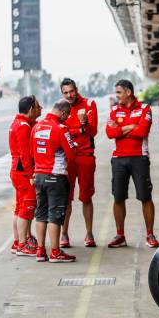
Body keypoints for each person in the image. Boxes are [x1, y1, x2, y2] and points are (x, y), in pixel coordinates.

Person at [105, 79, 159, 248]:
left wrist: (120, 130)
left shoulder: (145, 108)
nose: (117, 96)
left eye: (119, 92)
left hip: (139, 158)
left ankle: (150, 235)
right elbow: (109, 132)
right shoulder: (114, 110)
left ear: (128, 92)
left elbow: (143, 130)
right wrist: (129, 127)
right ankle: (120, 235)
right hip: (118, 159)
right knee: (118, 197)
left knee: (145, 197)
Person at [31, 100, 77, 263]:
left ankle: (40, 250)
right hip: (55, 176)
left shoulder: (37, 127)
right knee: (55, 216)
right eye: (67, 115)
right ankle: (55, 252)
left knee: (41, 214)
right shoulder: (61, 129)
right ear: (63, 113)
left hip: (39, 176)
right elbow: (71, 155)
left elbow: (32, 152)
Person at [59, 78, 98, 248]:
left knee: (86, 197)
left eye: (71, 91)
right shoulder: (60, 106)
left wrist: (84, 125)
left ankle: (89, 234)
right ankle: (64, 234)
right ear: (62, 93)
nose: (69, 95)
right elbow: (61, 132)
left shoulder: (89, 104)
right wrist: (79, 129)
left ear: (77, 89)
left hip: (85, 157)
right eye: (66, 93)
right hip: (67, 159)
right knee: (65, 199)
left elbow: (93, 131)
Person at [9, 95, 42, 256]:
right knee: (27, 208)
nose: (40, 109)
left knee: (20, 207)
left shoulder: (19, 123)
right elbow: (25, 154)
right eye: (37, 106)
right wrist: (31, 174)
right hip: (23, 172)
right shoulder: (23, 126)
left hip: (18, 171)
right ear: (30, 109)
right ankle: (23, 244)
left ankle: (18, 242)